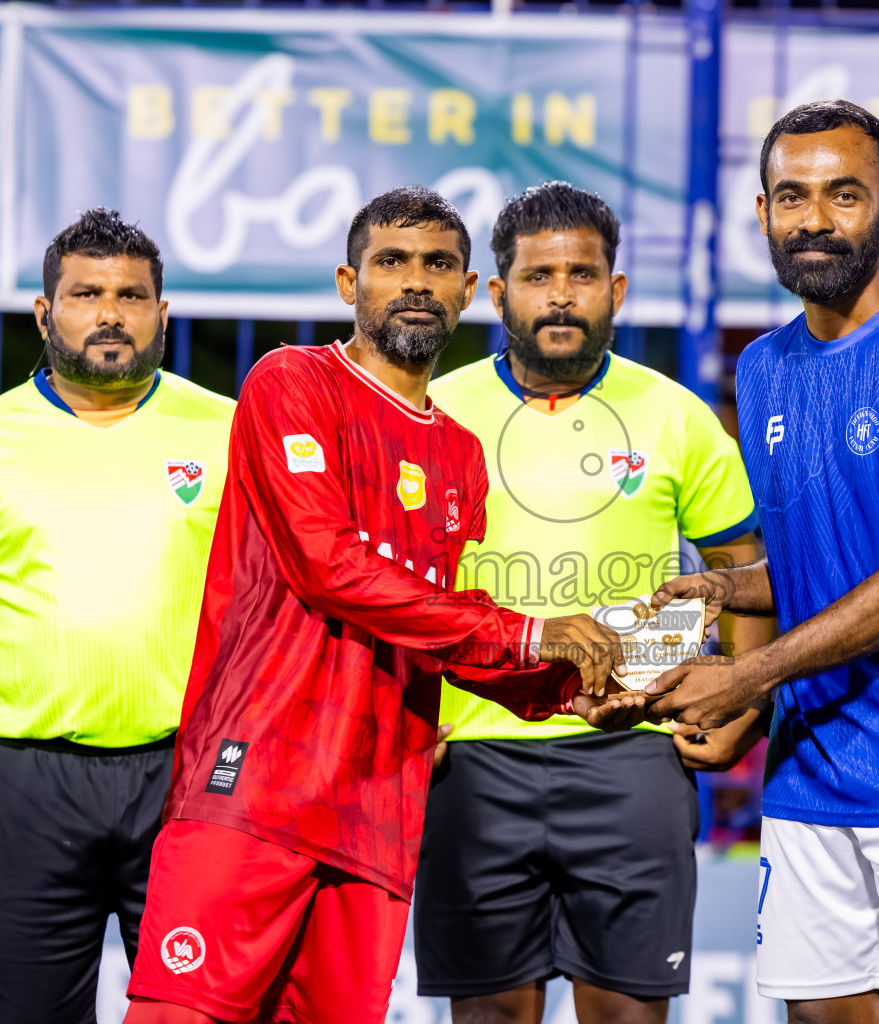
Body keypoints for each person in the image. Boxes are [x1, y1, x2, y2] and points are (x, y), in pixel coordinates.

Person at [123, 187, 635, 1024]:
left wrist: (560, 687)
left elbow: (432, 624)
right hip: (253, 785)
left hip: (375, 809)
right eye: (390, 262)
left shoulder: (461, 453)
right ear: (346, 282)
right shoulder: (290, 383)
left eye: (438, 265)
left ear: (470, 292)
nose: (414, 282)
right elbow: (329, 566)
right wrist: (533, 630)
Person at [648, 100, 879, 1024]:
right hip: (810, 766)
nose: (814, 218)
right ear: (764, 214)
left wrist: (749, 676)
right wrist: (728, 589)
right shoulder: (765, 368)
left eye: (843, 195)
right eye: (791, 196)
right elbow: (828, 560)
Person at [416, 181, 767, 1024]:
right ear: (498, 294)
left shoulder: (676, 416)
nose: (562, 293)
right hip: (474, 761)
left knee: (627, 1014)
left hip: (632, 757)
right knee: (491, 1014)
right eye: (539, 276)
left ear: (615, 291)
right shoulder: (436, 412)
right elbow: (399, 590)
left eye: (583, 274)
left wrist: (745, 703)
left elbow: (748, 571)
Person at [0, 208, 237, 1023]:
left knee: (204, 1012)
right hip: (32, 782)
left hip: (189, 777)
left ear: (164, 314)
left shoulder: (229, 429)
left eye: (132, 294)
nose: (111, 312)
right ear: (46, 313)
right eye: (87, 293)